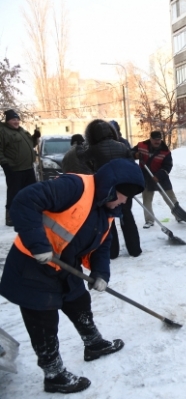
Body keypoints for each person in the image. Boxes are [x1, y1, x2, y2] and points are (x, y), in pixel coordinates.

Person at [0, 158, 145, 394]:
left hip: (65, 266)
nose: (124, 201)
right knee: (44, 323)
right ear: (111, 188)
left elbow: (102, 244)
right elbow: (25, 201)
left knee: (79, 302)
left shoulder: (107, 208)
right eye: (123, 195)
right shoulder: (74, 187)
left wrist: (100, 273)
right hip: (32, 266)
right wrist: (38, 244)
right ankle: (54, 374)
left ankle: (93, 343)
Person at [82, 119, 142, 258]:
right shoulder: (122, 146)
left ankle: (112, 252)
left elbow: (83, 161)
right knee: (127, 216)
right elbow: (130, 163)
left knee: (108, 221)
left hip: (106, 188)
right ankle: (135, 249)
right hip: (124, 186)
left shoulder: (93, 149)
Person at [132, 130, 184, 228]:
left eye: (159, 140)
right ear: (150, 139)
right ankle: (149, 220)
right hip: (146, 177)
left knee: (170, 198)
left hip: (162, 178)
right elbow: (130, 153)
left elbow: (168, 166)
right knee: (147, 200)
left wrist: (159, 176)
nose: (157, 142)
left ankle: (179, 216)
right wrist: (135, 155)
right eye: (155, 140)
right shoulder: (141, 146)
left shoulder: (165, 151)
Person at [0, 109, 41, 226]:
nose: (16, 121)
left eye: (17, 119)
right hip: (14, 169)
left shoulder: (21, 131)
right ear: (7, 121)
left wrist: (35, 137)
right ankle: (10, 217)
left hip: (28, 168)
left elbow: (31, 144)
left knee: (31, 191)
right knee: (14, 193)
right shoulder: (3, 132)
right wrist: (5, 164)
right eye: (13, 119)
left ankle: (30, 212)